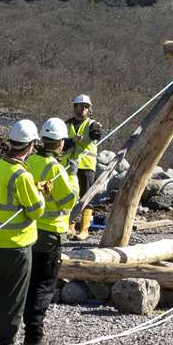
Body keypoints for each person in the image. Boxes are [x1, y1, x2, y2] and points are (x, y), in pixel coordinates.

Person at [0, 119, 45, 345]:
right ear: (30, 145)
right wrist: (41, 193)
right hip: (17, 247)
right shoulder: (21, 175)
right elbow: (36, 211)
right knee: (13, 302)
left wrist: (34, 189)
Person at [23, 118, 78, 345]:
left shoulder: (30, 161)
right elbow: (68, 201)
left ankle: (25, 332)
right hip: (50, 233)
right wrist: (73, 176)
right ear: (61, 143)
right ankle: (34, 337)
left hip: (30, 231)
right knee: (43, 286)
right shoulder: (55, 168)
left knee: (30, 283)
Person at [66, 94, 103, 240]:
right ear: (74, 107)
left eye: (86, 107)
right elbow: (62, 144)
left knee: (86, 197)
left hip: (86, 166)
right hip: (70, 166)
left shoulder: (92, 124)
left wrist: (98, 130)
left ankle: (84, 229)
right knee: (70, 197)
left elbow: (95, 135)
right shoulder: (67, 125)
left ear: (89, 110)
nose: (83, 109)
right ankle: (70, 226)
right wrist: (72, 140)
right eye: (80, 106)